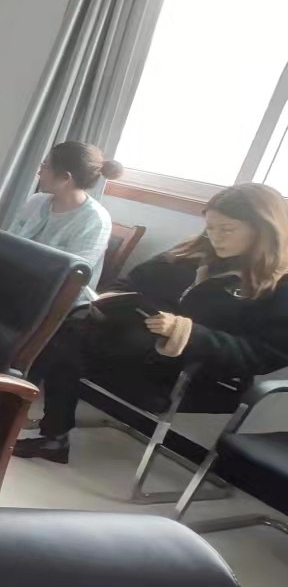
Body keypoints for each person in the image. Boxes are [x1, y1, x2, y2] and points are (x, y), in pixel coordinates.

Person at [16, 183, 288, 465]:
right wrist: (111, 302)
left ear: (263, 230)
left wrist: (185, 332)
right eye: (210, 227)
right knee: (64, 327)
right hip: (137, 350)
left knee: (69, 335)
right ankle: (40, 428)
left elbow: (261, 355)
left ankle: (38, 428)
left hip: (199, 376)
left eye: (227, 230)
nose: (215, 237)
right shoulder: (190, 254)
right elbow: (128, 283)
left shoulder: (279, 284)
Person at [7, 142, 120, 299]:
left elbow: (72, 277)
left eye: (45, 167)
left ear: (66, 177)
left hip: (56, 298)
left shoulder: (95, 220)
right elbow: (9, 241)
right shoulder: (36, 201)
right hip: (18, 281)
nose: (39, 172)